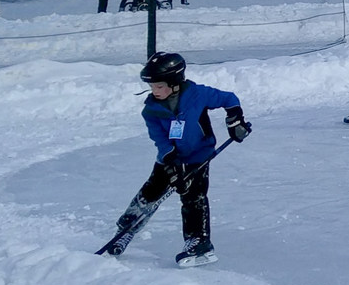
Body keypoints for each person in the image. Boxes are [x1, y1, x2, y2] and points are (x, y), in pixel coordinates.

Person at [106, 51, 249, 267]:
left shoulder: (198, 94)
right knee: (148, 195)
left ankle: (198, 242)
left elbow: (229, 99)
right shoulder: (151, 110)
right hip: (168, 159)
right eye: (152, 86)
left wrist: (235, 123)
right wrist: (171, 162)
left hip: (198, 157)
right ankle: (125, 230)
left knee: (194, 198)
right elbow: (159, 138)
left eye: (159, 86)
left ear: (175, 82)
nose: (155, 91)